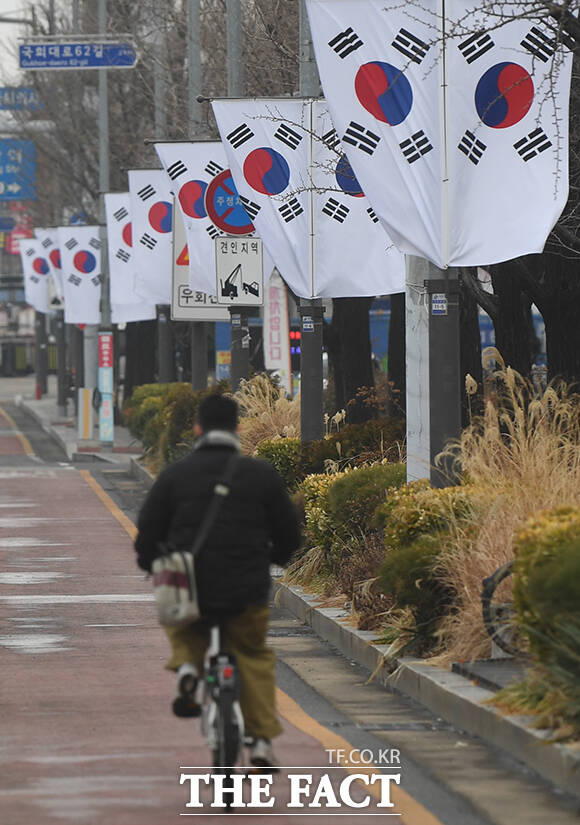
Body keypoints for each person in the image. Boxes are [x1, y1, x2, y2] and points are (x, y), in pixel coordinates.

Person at [134, 393, 301, 768]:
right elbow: (289, 533)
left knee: (184, 623)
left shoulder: (175, 475)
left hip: (192, 587)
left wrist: (151, 562)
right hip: (246, 588)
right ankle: (260, 741)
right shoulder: (261, 475)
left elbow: (148, 533)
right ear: (237, 429)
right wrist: (274, 558)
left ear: (198, 429)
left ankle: (188, 668)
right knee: (252, 656)